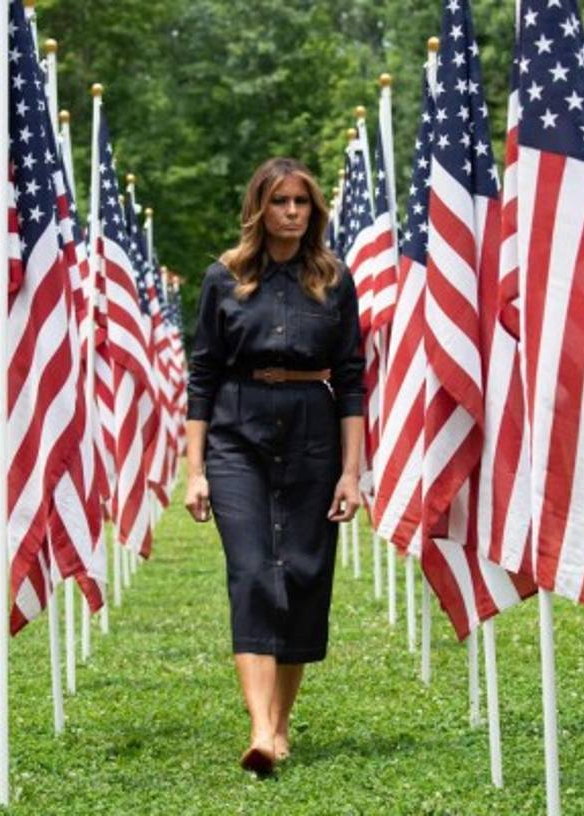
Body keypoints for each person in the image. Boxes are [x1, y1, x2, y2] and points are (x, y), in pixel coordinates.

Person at [184, 157, 365, 777]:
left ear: (313, 210)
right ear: (259, 207)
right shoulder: (224, 278)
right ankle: (260, 730)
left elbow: (351, 379)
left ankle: (282, 725)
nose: (292, 212)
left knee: (305, 577)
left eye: (302, 203)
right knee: (255, 571)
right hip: (237, 436)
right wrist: (195, 469)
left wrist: (351, 471)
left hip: (313, 432)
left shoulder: (334, 280)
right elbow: (201, 376)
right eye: (281, 201)